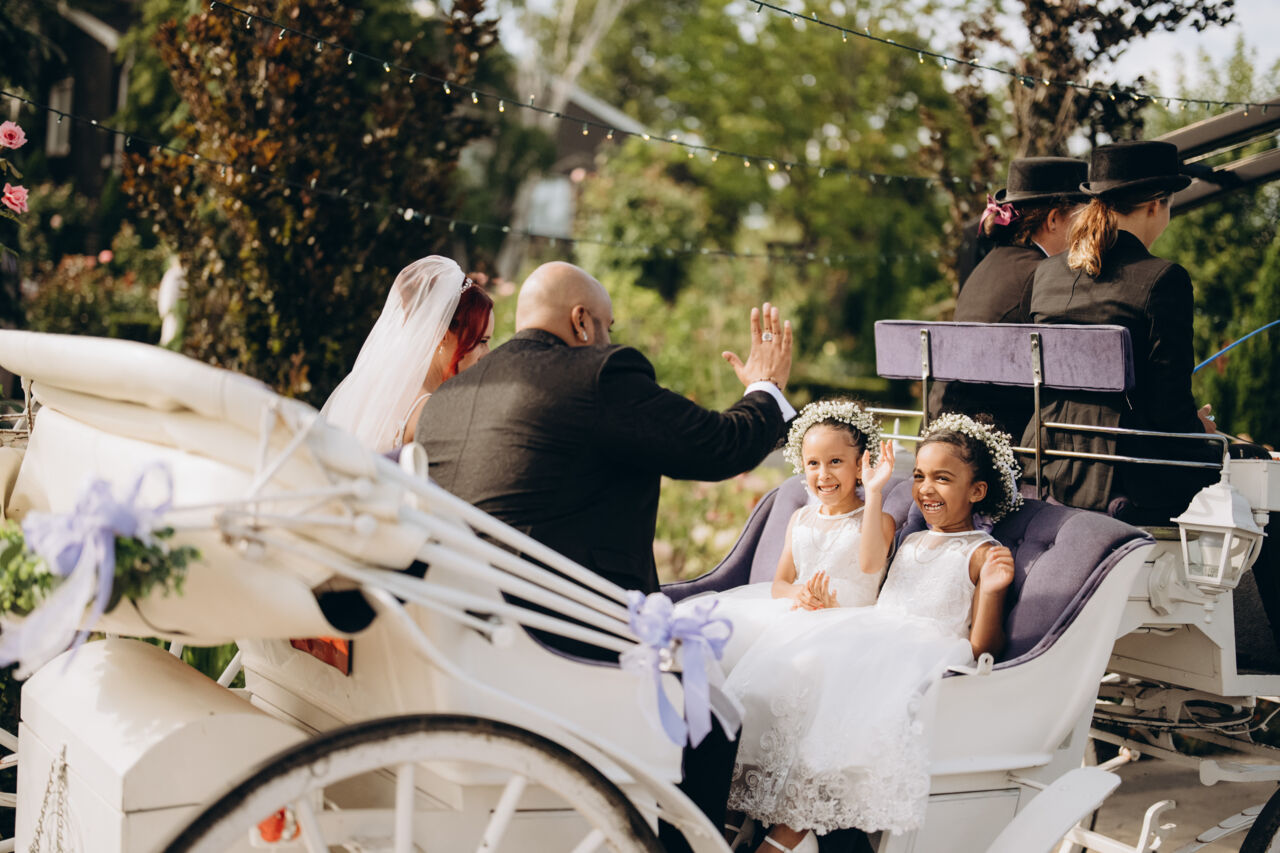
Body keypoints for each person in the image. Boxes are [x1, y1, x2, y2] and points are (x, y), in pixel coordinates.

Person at [725, 414, 1020, 851]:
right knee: (792, 677)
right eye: (919, 476)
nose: (925, 489)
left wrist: (992, 591)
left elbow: (983, 647)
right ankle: (745, 817)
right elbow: (881, 599)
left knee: (833, 710)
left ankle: (787, 835)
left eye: (942, 478)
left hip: (915, 654)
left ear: (977, 491)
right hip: (874, 633)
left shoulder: (982, 552)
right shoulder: (913, 540)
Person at [417, 260, 795, 595]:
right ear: (581, 321)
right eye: (607, 327)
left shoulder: (444, 400)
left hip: (463, 620)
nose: (609, 341)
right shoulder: (596, 375)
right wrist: (765, 386)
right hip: (578, 624)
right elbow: (719, 445)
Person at [1021, 140, 1215, 516]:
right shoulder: (1164, 278)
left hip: (1043, 460)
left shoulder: (1046, 273)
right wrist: (1200, 429)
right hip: (1124, 472)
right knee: (1250, 467)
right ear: (1156, 205)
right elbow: (1169, 408)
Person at [674, 399, 894, 678]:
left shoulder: (878, 520)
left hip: (845, 626)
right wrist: (800, 593)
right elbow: (779, 585)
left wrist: (874, 493)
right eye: (813, 463)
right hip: (797, 613)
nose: (823, 474)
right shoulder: (800, 519)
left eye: (835, 462)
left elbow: (870, 565)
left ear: (861, 465)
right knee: (712, 634)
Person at [930, 157, 1087, 437]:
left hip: (944, 427)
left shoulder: (989, 264)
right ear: (1053, 219)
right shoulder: (1044, 275)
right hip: (993, 438)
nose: (1088, 228)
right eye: (1082, 216)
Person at [321, 255, 494, 453]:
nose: (487, 354)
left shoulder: (378, 386)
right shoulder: (431, 412)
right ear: (442, 335)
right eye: (482, 341)